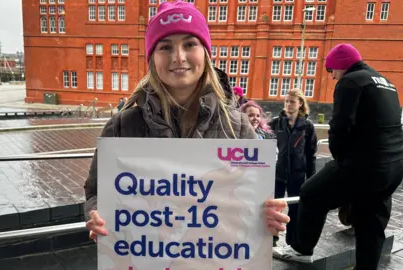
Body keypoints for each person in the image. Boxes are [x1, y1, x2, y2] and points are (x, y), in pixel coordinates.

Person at [84, 0, 289, 245]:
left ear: (205, 52)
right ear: (152, 58)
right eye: (165, 47)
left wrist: (270, 215)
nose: (178, 57)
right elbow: (96, 191)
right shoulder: (121, 126)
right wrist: (97, 215)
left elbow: (252, 201)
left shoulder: (237, 126)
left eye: (189, 44)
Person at [273, 44, 403, 269]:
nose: (332, 76)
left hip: (363, 164)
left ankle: (302, 250)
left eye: (331, 70)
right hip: (392, 166)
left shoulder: (350, 81)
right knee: (370, 223)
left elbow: (341, 125)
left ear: (341, 65)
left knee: (311, 193)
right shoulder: (386, 83)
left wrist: (341, 160)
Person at [269, 89, 317, 247]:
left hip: (297, 174)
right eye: (286, 101)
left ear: (300, 103)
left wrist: (311, 178)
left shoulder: (307, 126)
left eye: (292, 101)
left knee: (295, 209)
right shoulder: (276, 123)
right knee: (274, 207)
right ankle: (272, 238)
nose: (288, 104)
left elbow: (311, 154)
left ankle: (292, 240)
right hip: (277, 174)